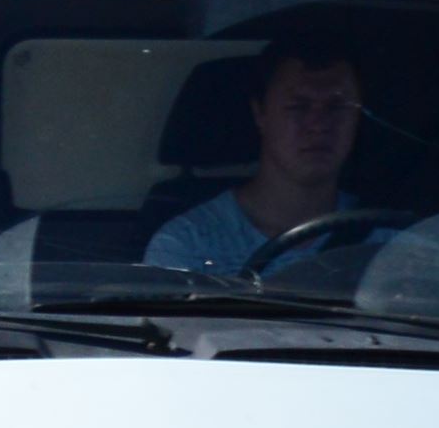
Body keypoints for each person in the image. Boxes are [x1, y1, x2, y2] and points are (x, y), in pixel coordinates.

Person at [147, 25, 374, 275]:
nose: (319, 125)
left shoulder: (386, 242)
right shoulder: (189, 245)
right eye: (298, 106)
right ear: (260, 114)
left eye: (337, 106)